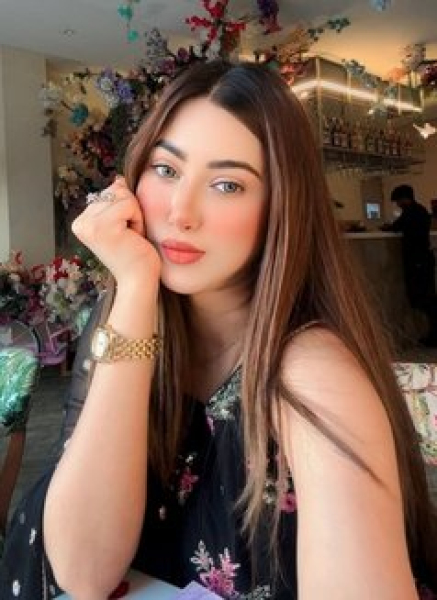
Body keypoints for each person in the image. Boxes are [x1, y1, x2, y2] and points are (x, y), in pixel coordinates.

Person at [1, 60, 436, 599]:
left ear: (280, 207)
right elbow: (84, 571)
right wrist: (135, 287)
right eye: (166, 170)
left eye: (228, 184)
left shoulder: (311, 373)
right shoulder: (124, 317)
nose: (181, 212)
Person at [385, 184, 437, 346]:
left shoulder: (411, 213)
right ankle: (433, 334)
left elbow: (396, 227)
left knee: (424, 299)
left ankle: (434, 335)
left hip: (417, 262)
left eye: (398, 201)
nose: (397, 204)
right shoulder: (420, 211)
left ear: (404, 199)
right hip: (424, 260)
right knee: (428, 299)